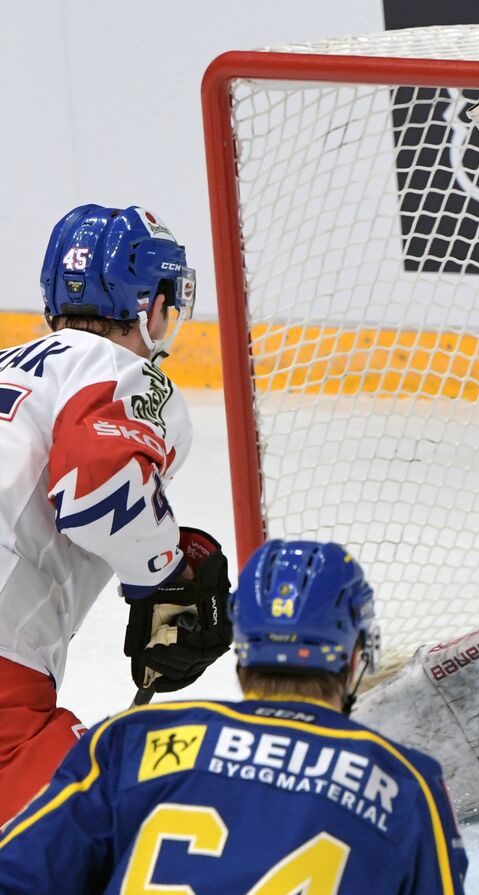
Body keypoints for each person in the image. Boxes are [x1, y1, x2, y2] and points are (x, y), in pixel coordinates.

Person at [0, 539, 469, 894]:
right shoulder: (407, 783)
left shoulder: (129, 742)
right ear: (354, 657)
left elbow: (18, 877)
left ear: (239, 649)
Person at [0, 205, 230, 824]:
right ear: (149, 307)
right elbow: (96, 487)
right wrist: (163, 571)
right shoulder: (118, 370)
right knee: (140, 828)